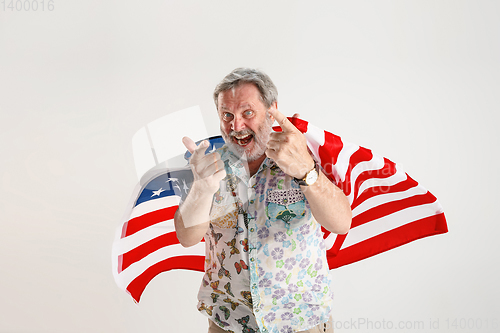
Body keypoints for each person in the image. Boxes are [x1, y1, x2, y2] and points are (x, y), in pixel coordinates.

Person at [174, 68, 352, 333]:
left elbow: (341, 223)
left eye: (247, 113)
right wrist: (202, 188)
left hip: (300, 322)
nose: (236, 126)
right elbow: (187, 237)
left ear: (272, 110)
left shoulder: (305, 154)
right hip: (229, 322)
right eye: (227, 115)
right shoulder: (207, 166)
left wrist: (306, 170)